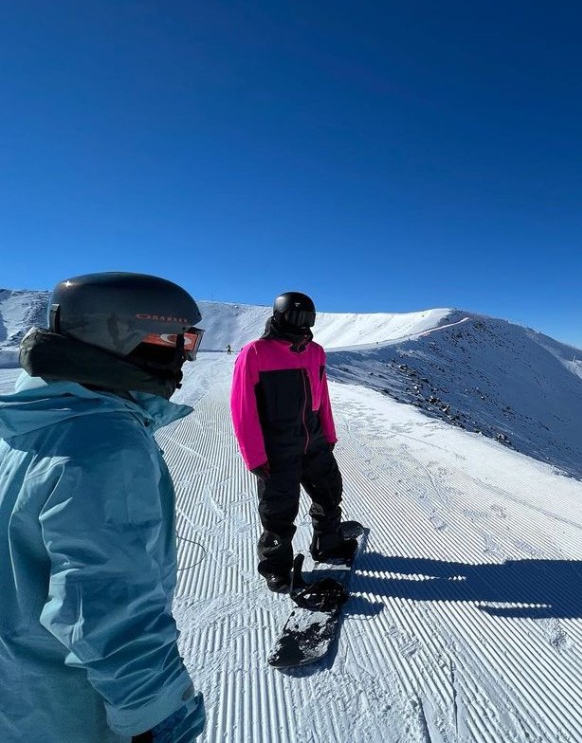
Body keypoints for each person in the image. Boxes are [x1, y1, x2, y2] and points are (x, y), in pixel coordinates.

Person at [0, 272, 206, 743]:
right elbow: (108, 607)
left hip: (21, 700)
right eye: (174, 339)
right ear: (120, 336)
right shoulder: (106, 444)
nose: (184, 356)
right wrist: (158, 715)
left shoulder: (30, 423)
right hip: (77, 711)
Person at [230, 291, 360, 593]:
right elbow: (242, 408)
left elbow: (322, 397)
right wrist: (255, 456)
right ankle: (276, 567)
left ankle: (327, 544)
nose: (301, 324)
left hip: (313, 441)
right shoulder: (255, 353)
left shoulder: (315, 352)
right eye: (295, 316)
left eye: (307, 318)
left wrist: (328, 434)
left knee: (329, 493)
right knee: (278, 511)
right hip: (276, 447)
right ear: (279, 316)